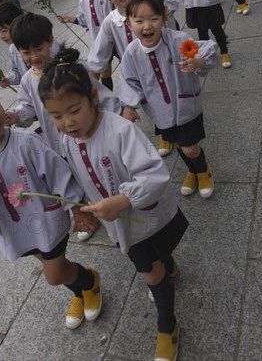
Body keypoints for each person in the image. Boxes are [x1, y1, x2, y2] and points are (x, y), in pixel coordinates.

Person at [38, 47, 189, 361]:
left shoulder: (121, 131)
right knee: (153, 266)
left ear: (94, 97)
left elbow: (155, 173)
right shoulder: (69, 139)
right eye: (56, 115)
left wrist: (122, 200)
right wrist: (77, 207)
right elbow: (76, 174)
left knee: (154, 266)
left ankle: (168, 327)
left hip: (145, 213)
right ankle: (166, 282)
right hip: (123, 226)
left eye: (74, 109)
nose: (67, 122)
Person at [0, 76, 101, 331]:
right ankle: (78, 288)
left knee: (53, 275)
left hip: (47, 222)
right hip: (17, 232)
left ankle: (88, 282)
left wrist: (76, 208)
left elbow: (58, 174)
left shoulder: (25, 142)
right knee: (51, 263)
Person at [119, 0, 217, 200]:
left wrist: (198, 61)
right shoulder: (131, 53)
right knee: (180, 145)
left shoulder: (176, 40)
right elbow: (129, 81)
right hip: (160, 111)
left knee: (190, 147)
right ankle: (192, 170)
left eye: (153, 18)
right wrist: (129, 105)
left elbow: (206, 48)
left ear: (164, 18)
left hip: (186, 107)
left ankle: (203, 169)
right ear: (129, 23)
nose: (147, 26)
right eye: (139, 20)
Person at [4, 13, 120, 155]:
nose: (34, 57)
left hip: (90, 135)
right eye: (26, 52)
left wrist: (118, 117)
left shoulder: (69, 69)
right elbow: (29, 107)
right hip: (61, 146)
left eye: (39, 48)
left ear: (50, 41)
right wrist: (16, 116)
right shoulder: (27, 80)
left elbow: (100, 95)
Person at [56, 0, 114, 91]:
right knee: (105, 71)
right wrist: (70, 19)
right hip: (100, 41)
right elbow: (84, 19)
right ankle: (109, 97)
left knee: (128, 62)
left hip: (116, 37)